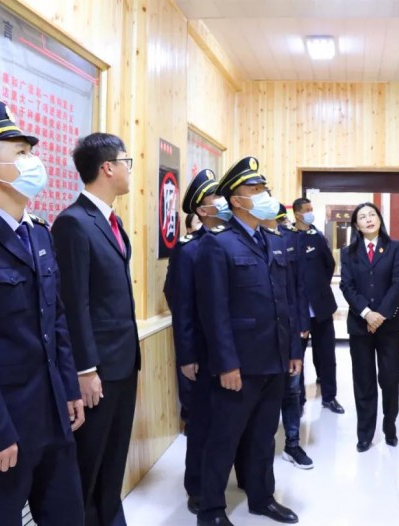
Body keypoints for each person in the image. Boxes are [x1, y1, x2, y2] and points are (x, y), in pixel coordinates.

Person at [0, 101, 85, 525]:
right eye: (21, 153)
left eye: (31, 152)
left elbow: (56, 320)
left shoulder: (41, 233)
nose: (34, 161)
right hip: (4, 426)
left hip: (53, 415)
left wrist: (69, 389)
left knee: (67, 515)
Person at [195, 156, 301, 526]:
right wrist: (226, 364)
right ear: (236, 200)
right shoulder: (218, 244)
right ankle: (211, 510)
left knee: (263, 436)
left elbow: (285, 302)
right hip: (239, 364)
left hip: (274, 358)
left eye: (264, 188)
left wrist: (293, 351)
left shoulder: (271, 240)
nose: (264, 195)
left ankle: (261, 497)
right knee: (224, 438)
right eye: (254, 189)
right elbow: (214, 312)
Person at [51, 133, 141, 526]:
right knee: (89, 461)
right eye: (126, 162)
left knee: (114, 457)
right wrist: (85, 369)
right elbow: (74, 303)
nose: (128, 170)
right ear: (107, 168)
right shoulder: (73, 223)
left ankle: (111, 517)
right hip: (97, 369)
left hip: (123, 362)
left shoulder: (112, 222)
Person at [163, 169, 232, 513]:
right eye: (216, 198)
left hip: (234, 351)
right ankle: (197, 487)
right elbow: (182, 307)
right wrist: (187, 356)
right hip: (203, 353)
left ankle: (223, 480)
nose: (224, 202)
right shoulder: (189, 249)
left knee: (229, 422)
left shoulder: (234, 239)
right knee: (203, 422)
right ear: (203, 211)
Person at [339, 202, 399, 453]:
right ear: (356, 225)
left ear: (379, 219)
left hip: (389, 325)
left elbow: (398, 283)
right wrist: (367, 314)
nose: (368, 219)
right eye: (362, 217)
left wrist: (380, 316)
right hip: (360, 326)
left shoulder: (394, 247)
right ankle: (365, 434)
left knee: (390, 378)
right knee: (363, 381)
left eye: (372, 215)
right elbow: (347, 286)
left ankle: (390, 427)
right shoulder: (348, 253)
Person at [262, 204, 313, 470]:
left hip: (290, 328)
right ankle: (260, 449)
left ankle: (292, 444)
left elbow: (298, 287)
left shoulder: (287, 240)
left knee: (292, 389)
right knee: (264, 394)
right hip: (261, 334)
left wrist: (303, 323)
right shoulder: (243, 241)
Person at [292, 197, 344, 414]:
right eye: (307, 210)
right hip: (298, 311)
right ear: (297, 213)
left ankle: (329, 397)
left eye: (311, 209)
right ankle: (298, 399)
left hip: (321, 308)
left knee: (327, 355)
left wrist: (319, 286)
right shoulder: (288, 237)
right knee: (297, 357)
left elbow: (329, 264)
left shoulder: (318, 237)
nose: (310, 213)